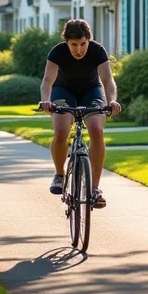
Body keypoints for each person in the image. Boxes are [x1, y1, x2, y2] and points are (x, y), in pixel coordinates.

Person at [39, 19, 121, 207]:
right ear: (66, 42)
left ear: (88, 40)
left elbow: (108, 80)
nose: (79, 49)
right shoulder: (57, 52)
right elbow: (47, 81)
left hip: (91, 90)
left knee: (96, 130)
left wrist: (112, 101)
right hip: (63, 90)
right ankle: (59, 174)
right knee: (61, 131)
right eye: (74, 45)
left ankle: (95, 189)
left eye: (83, 44)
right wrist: (46, 100)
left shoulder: (97, 51)